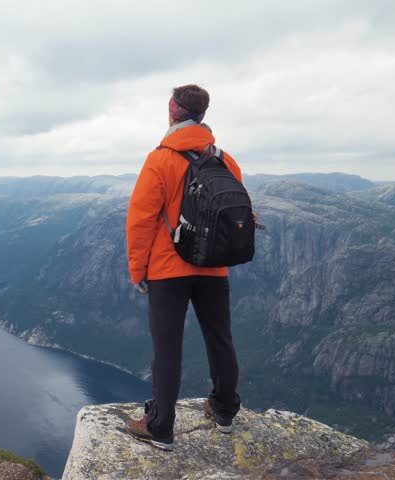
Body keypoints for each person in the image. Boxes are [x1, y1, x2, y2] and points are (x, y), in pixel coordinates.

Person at [124, 84, 243, 450]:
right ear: (203, 115)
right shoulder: (225, 160)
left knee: (168, 348)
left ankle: (160, 426)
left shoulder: (159, 159)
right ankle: (223, 410)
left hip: (167, 269)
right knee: (220, 338)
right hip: (213, 267)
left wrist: (137, 270)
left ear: (173, 109)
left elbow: (141, 219)